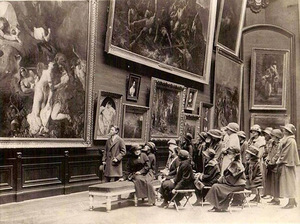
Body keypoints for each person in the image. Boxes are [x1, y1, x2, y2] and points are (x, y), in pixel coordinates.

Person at [205, 147, 246, 212]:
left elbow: (232, 178)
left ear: (235, 155)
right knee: (216, 186)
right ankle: (217, 206)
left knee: (216, 187)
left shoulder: (236, 164)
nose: (228, 155)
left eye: (230, 153)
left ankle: (218, 207)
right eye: (228, 153)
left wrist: (222, 180)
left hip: (237, 185)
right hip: (234, 184)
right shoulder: (234, 162)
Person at [276, 124, 299, 209]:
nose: (283, 131)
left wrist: (279, 160)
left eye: (285, 130)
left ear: (288, 132)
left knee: (289, 183)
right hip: (287, 163)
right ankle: (292, 201)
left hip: (288, 163)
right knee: (288, 183)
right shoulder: (288, 140)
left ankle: (291, 202)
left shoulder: (290, 141)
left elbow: (285, 153)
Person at [265, 129, 282, 205]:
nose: (272, 137)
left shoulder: (280, 144)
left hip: (276, 165)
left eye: (273, 136)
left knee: (276, 181)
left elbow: (278, 154)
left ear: (277, 137)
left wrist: (273, 161)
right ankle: (273, 197)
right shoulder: (271, 143)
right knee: (270, 180)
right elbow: (269, 152)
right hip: (270, 164)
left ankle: (277, 199)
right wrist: (267, 159)